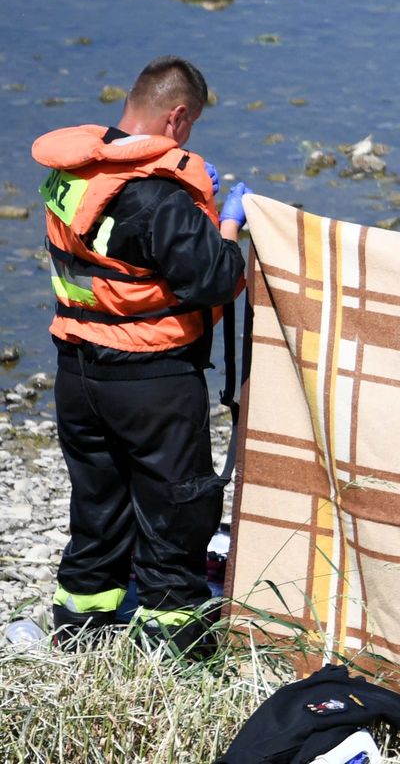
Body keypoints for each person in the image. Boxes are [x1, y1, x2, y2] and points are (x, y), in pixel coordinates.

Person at [32, 55, 252, 656]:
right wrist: (227, 223)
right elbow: (214, 278)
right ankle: (177, 648)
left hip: (78, 372)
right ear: (177, 117)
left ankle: (80, 630)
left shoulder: (72, 174)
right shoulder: (160, 199)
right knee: (176, 507)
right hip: (151, 379)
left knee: (98, 504)